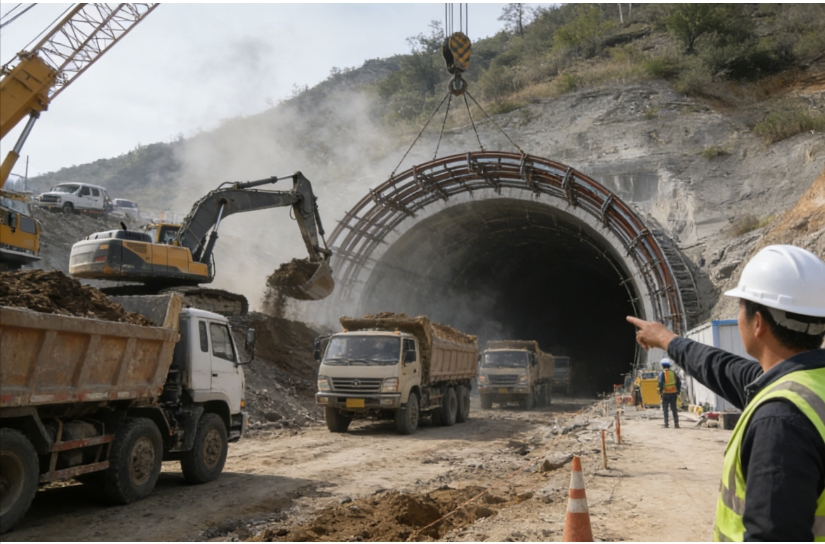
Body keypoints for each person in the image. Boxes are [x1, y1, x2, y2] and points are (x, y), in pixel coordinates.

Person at [627, 244, 825, 541]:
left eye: (741, 307)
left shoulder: (781, 421)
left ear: (757, 322)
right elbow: (720, 367)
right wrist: (667, 339)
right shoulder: (806, 385)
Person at [657, 358, 681, 428]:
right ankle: (676, 424)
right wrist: (678, 391)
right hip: (673, 393)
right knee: (674, 409)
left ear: (663, 366)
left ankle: (666, 424)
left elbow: (660, 382)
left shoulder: (662, 373)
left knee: (665, 409)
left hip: (666, 393)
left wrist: (661, 390)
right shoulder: (673, 373)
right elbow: (679, 382)